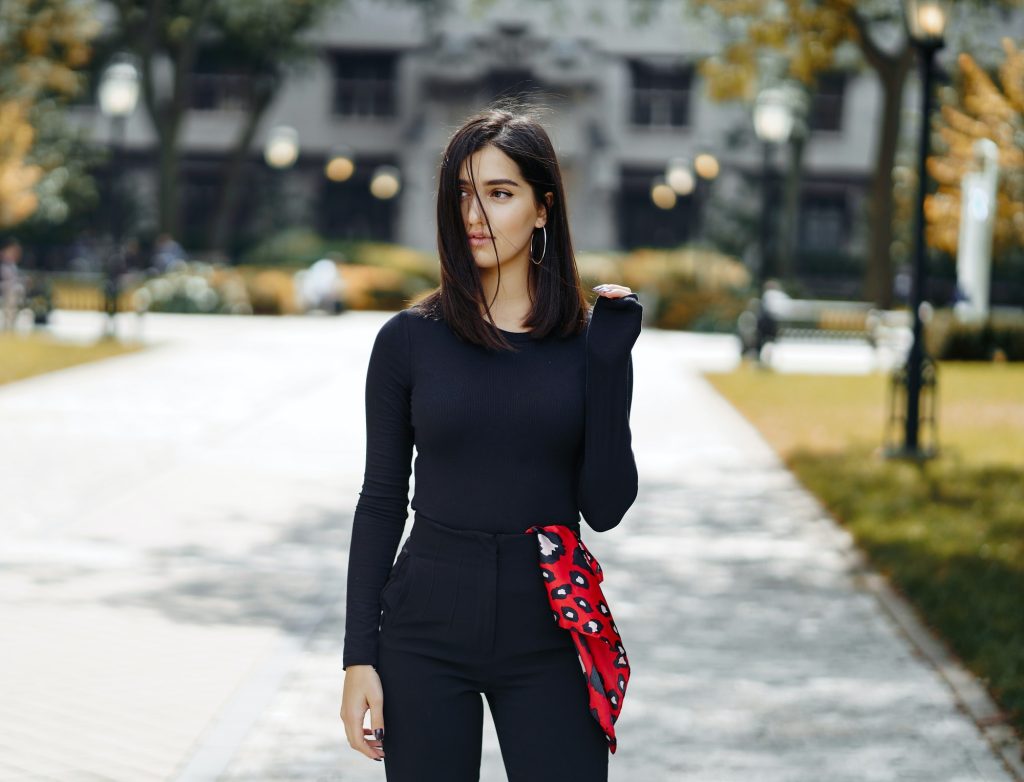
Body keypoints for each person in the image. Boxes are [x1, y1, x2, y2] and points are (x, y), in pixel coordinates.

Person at [339, 103, 642, 782]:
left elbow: (606, 506)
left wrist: (609, 366)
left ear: (543, 209)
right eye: (463, 195)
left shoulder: (588, 345)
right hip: (424, 627)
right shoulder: (408, 342)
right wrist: (359, 655)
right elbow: (381, 499)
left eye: (500, 194)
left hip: (548, 628)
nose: (475, 215)